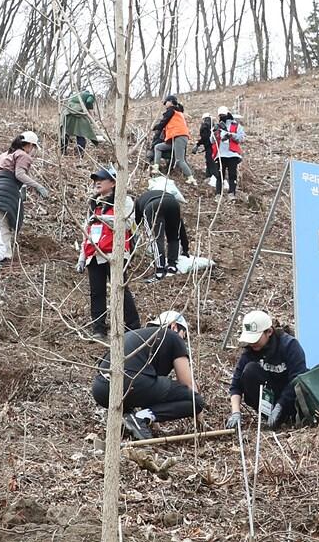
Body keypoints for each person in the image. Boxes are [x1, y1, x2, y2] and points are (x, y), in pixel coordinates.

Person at [91, 311, 204, 441]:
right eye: (184, 335)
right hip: (129, 383)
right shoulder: (173, 336)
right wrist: (199, 416)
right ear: (174, 326)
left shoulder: (138, 336)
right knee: (195, 401)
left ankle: (132, 418)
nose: (182, 339)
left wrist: (155, 424)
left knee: (150, 384)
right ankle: (139, 418)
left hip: (101, 389)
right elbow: (187, 385)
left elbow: (151, 390)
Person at [79, 167, 142, 342]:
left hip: (115, 253)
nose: (97, 182)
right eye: (95, 179)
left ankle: (133, 327)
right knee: (96, 293)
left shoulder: (124, 200)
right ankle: (98, 329)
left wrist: (103, 219)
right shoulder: (93, 203)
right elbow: (87, 229)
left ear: (113, 182)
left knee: (120, 290)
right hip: (94, 253)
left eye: (101, 179)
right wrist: (82, 257)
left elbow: (127, 222)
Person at [226, 310, 308, 430]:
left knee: (296, 384)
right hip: (269, 398)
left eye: (256, 338)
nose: (252, 343)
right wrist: (235, 412)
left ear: (269, 332)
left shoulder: (289, 345)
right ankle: (271, 419)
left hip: (290, 399)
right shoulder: (250, 351)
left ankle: (286, 417)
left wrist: (280, 405)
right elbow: (236, 385)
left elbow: (298, 379)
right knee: (249, 370)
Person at [0, 131, 48, 261]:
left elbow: (1, 173)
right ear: (29, 145)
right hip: (6, 192)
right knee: (2, 224)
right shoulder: (23, 155)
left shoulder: (4, 155)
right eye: (33, 147)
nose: (32, 150)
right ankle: (4, 256)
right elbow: (19, 174)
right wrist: (37, 186)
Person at [135, 177, 191, 278]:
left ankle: (160, 269)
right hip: (173, 203)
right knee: (173, 236)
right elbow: (180, 229)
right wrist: (185, 249)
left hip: (152, 206)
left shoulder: (139, 201)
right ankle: (172, 265)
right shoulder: (164, 194)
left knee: (156, 238)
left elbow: (136, 224)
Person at [151, 95, 197, 185]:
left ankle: (191, 178)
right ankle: (156, 166)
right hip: (175, 138)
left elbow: (163, 123)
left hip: (179, 136)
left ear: (171, 102)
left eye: (166, 102)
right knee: (158, 147)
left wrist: (154, 127)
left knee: (180, 160)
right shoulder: (177, 112)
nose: (165, 105)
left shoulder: (172, 110)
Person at [213, 107, 246, 196]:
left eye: (223, 115)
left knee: (232, 175)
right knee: (219, 175)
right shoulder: (217, 126)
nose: (222, 117)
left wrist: (231, 135)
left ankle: (232, 193)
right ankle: (218, 193)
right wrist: (214, 132)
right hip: (220, 154)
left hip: (232, 154)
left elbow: (241, 138)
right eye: (220, 115)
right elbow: (211, 141)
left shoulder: (236, 126)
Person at [60, 90, 98, 154]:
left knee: (66, 133)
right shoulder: (90, 96)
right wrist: (91, 115)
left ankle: (63, 152)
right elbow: (89, 102)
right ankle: (80, 154)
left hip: (67, 114)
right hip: (78, 115)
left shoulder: (75, 95)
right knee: (81, 134)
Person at [195, 114, 219, 185]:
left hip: (209, 147)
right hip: (215, 147)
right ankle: (210, 176)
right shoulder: (214, 126)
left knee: (210, 162)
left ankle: (213, 177)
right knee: (211, 161)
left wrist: (198, 144)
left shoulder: (204, 126)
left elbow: (204, 138)